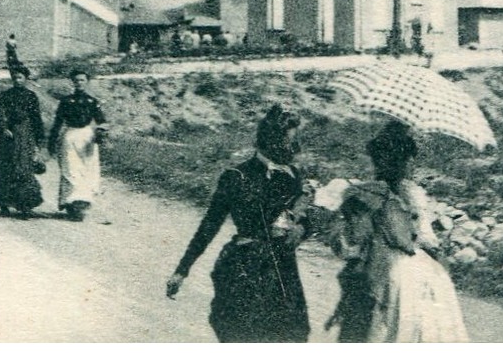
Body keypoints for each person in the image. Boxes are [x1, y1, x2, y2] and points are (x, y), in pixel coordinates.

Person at [166, 105, 314, 342]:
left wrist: (301, 226)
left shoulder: (293, 175)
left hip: (282, 267)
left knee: (290, 335)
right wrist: (182, 269)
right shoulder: (236, 176)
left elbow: (301, 218)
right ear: (273, 140)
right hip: (245, 264)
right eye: (290, 141)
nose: (294, 148)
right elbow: (209, 225)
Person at [329, 121, 467, 342]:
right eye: (407, 160)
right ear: (404, 161)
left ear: (377, 160)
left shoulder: (362, 193)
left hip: (382, 270)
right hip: (413, 272)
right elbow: (424, 239)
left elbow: (350, 243)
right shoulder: (412, 193)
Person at [48, 70, 108, 222]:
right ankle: (71, 203)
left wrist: (101, 130)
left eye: (82, 80)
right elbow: (57, 123)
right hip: (70, 136)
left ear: (87, 82)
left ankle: (83, 203)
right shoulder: (66, 101)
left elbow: (101, 120)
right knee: (70, 169)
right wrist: (51, 142)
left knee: (87, 169)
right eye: (76, 80)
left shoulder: (92, 101)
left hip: (87, 137)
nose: (79, 83)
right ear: (72, 82)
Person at [0, 64, 46, 218]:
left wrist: (39, 140)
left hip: (25, 136)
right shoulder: (6, 95)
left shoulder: (31, 97)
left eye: (20, 77)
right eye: (15, 77)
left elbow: (36, 119)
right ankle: (3, 203)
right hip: (8, 137)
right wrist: (2, 128)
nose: (17, 80)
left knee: (24, 168)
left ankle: (25, 204)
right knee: (5, 168)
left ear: (26, 79)